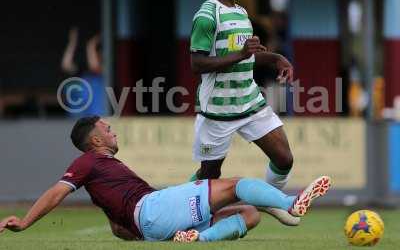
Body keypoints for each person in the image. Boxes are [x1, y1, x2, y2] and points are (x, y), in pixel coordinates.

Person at [0, 116, 331, 242]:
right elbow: (57, 192)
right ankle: (292, 204)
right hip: (153, 211)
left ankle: (196, 239)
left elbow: (119, 228)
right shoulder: (87, 162)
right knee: (234, 185)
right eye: (107, 128)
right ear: (96, 140)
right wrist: (27, 222)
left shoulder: (106, 174)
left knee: (250, 214)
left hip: (153, 220)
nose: (113, 131)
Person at [189, 0, 297, 225]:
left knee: (284, 158)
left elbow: (246, 55)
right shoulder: (206, 16)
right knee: (209, 177)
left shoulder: (240, 12)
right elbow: (197, 63)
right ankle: (181, 213)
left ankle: (271, 200)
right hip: (217, 110)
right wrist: (239, 54)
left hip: (249, 101)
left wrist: (274, 58)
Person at [61, 27, 106, 117]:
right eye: (97, 54)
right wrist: (72, 42)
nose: (98, 56)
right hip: (78, 113)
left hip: (96, 114)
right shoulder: (83, 72)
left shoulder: (106, 70)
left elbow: (95, 67)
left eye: (99, 54)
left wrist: (91, 45)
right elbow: (66, 65)